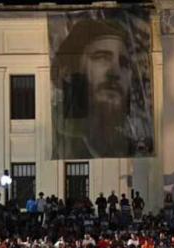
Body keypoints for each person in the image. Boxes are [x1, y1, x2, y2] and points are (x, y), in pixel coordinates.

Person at [53, 19, 152, 158]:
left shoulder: (135, 150)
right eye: (101, 57)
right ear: (68, 72)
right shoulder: (52, 140)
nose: (115, 71)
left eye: (124, 63)